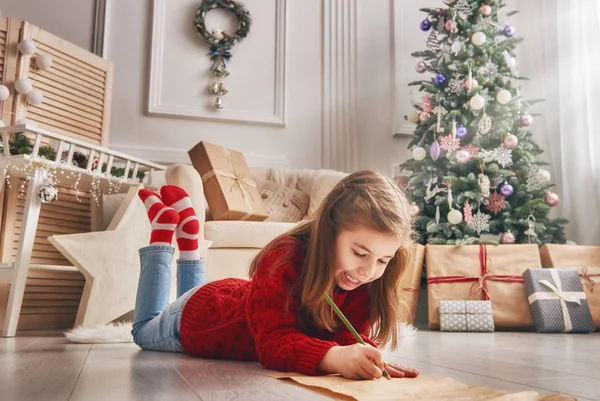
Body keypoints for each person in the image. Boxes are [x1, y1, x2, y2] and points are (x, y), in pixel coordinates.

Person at [132, 170, 419, 380]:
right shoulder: (284, 256)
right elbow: (272, 344)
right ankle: (161, 232)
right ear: (329, 232)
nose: (369, 271)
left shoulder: (364, 279)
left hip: (233, 297)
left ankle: (189, 237)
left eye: (383, 259)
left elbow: (345, 336)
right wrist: (334, 357)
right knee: (143, 330)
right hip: (197, 319)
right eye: (359, 253)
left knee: (183, 297)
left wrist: (364, 355)